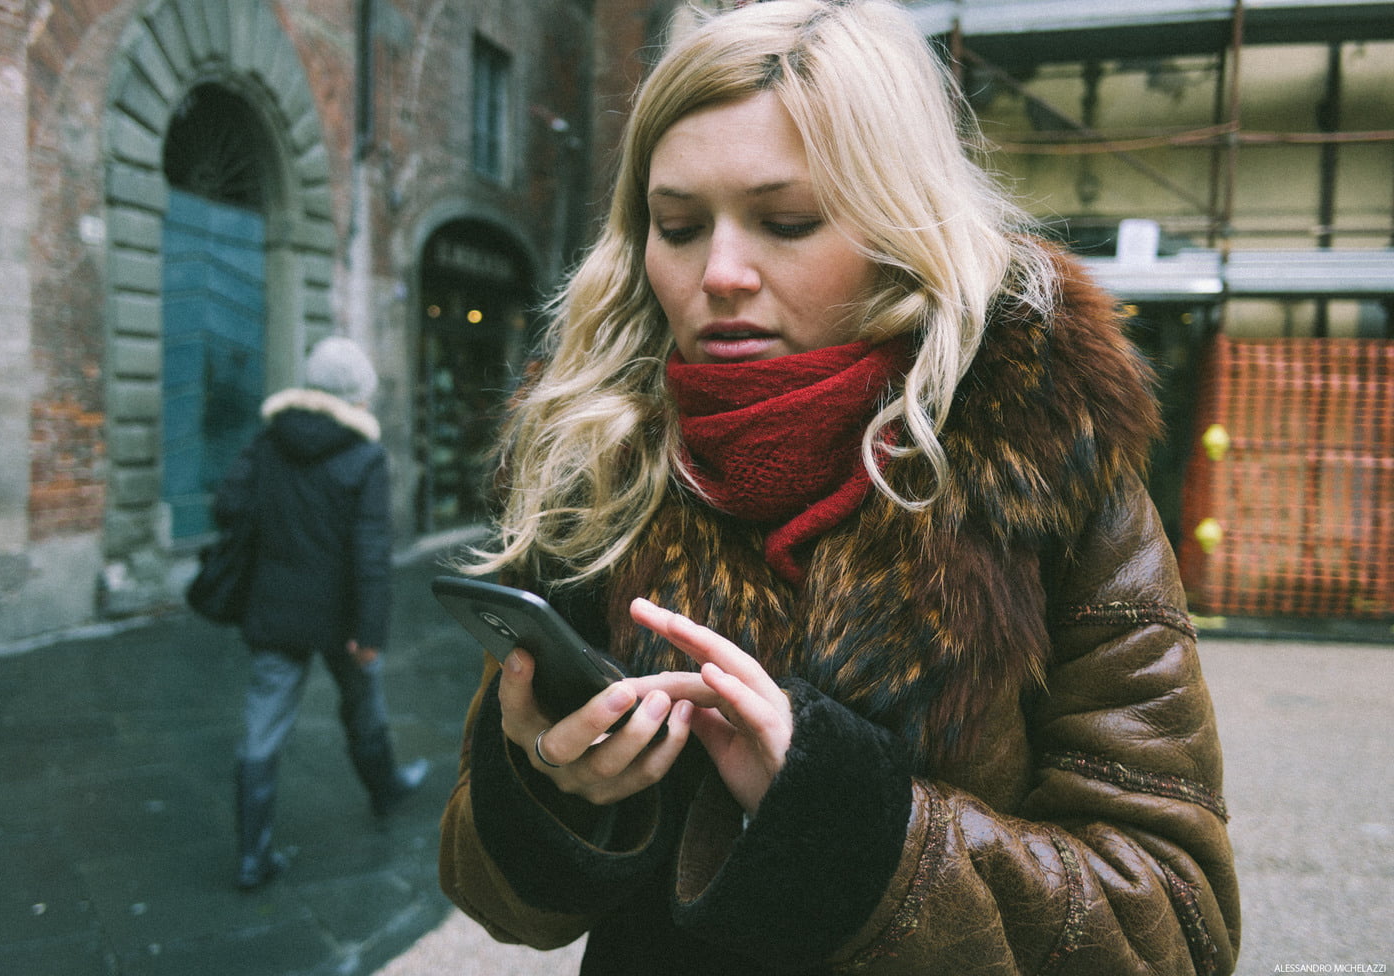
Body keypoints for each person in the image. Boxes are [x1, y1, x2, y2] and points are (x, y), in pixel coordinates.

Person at [438, 1, 1240, 972]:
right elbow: (496, 899)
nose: (720, 273)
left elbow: (1178, 925)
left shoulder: (1045, 455)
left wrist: (854, 827)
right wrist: (549, 782)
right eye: (678, 225)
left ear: (899, 226)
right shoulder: (598, 462)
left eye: (786, 221)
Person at [216, 335, 428, 891]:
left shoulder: (268, 440)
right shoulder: (365, 456)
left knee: (263, 727)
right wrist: (371, 632)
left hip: (275, 609)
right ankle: (385, 788)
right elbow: (370, 556)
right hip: (342, 620)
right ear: (357, 396)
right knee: (362, 705)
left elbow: (228, 507)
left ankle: (251, 855)